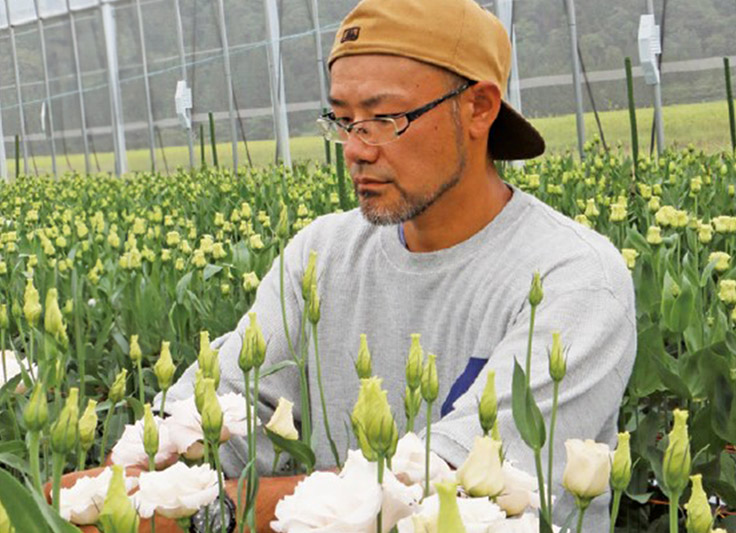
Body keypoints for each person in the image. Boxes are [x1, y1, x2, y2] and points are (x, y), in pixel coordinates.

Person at [64, 0, 636, 531]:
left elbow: (444, 497)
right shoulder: (321, 255)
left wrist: (179, 509)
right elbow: (215, 411)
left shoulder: (574, 278)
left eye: (385, 118)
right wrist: (121, 483)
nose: (356, 148)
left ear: (478, 108)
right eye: (342, 120)